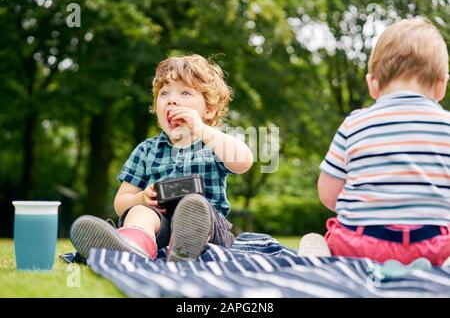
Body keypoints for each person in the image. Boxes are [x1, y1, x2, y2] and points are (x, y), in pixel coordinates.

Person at [70, 54, 253, 262]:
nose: (172, 99)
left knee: (194, 207)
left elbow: (244, 162)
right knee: (140, 212)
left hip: (209, 229)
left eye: (185, 92)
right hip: (161, 229)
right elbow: (121, 202)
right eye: (164, 93)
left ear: (209, 110)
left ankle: (185, 247)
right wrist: (141, 199)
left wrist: (201, 129)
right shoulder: (146, 150)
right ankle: (134, 246)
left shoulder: (214, 143)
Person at [298, 17, 450, 266]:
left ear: (373, 84)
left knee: (321, 236)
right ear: (442, 84)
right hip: (433, 247)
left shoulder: (354, 124)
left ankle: (319, 255)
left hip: (360, 246)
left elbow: (327, 194)